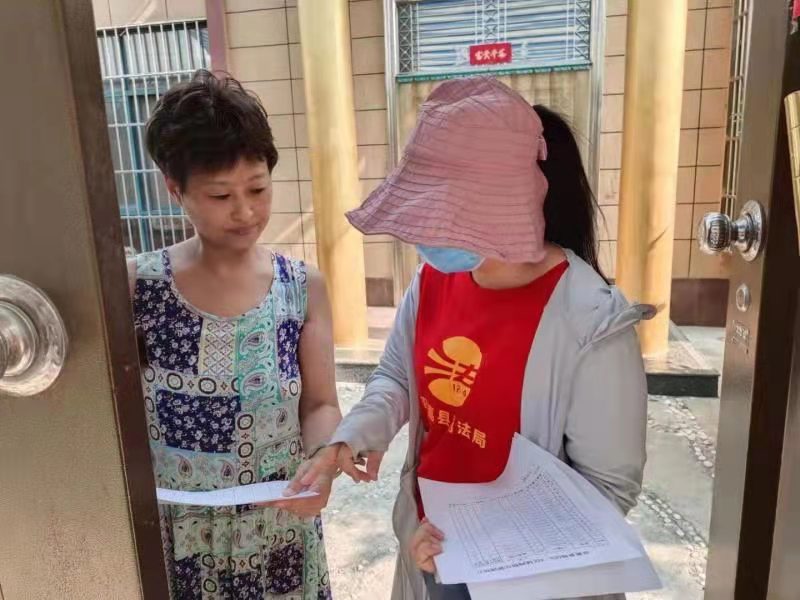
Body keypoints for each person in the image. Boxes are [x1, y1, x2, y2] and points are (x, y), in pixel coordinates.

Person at [287, 76, 653, 600]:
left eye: (443, 211)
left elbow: (609, 488)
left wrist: (489, 546)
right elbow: (397, 378)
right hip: (432, 546)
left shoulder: (591, 320)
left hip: (532, 580)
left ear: (502, 206)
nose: (425, 232)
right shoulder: (434, 281)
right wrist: (349, 438)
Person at [129, 70, 339, 599]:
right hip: (181, 538)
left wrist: (322, 462)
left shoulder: (301, 287)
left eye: (258, 189)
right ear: (174, 188)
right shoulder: (137, 287)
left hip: (279, 533)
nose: (245, 211)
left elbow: (319, 403)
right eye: (220, 195)